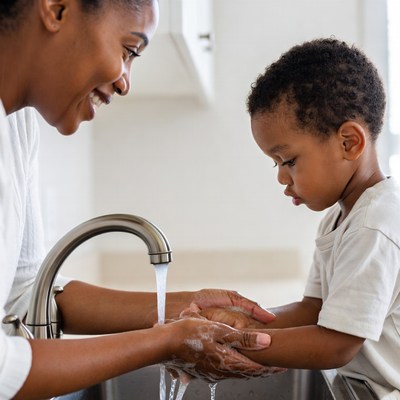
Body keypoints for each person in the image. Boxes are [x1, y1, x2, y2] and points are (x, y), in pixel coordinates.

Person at [0, 1, 280, 399]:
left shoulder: (17, 122)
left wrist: (181, 309)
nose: (125, 82)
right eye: (128, 50)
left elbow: (27, 291)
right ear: (57, 9)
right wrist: (165, 342)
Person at [202, 38, 400, 399]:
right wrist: (247, 320)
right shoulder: (341, 218)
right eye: (275, 163)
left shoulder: (375, 225)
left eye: (288, 160)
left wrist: (238, 343)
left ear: (349, 143)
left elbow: (336, 344)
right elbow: (316, 309)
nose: (281, 177)